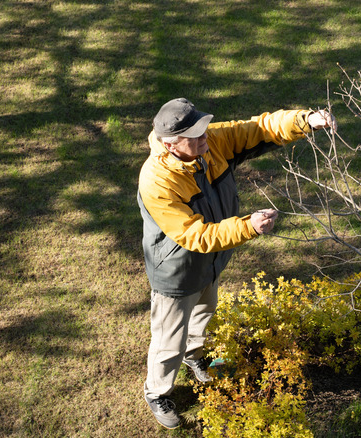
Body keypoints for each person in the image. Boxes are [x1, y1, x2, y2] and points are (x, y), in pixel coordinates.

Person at [137, 97, 335, 429]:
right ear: (171, 146)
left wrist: (305, 121)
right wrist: (247, 226)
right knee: (167, 340)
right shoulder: (157, 181)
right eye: (197, 137)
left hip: (211, 262)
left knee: (203, 313)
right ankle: (157, 391)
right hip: (177, 272)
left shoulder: (208, 141)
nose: (206, 139)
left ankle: (195, 356)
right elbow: (194, 236)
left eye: (204, 131)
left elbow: (258, 129)